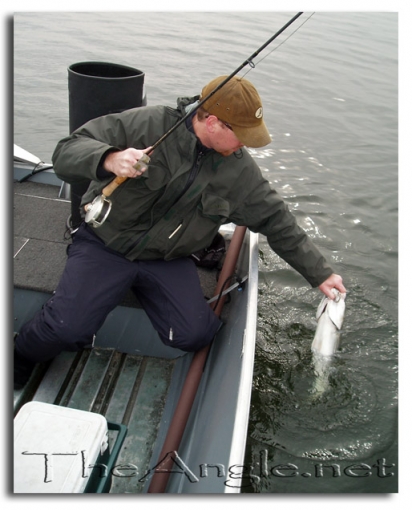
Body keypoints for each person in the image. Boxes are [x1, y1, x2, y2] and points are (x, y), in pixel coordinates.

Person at [14, 75, 346, 389]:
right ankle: (19, 356)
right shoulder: (149, 124)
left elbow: (277, 220)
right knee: (66, 329)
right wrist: (110, 158)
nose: (247, 145)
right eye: (242, 135)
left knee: (194, 334)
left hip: (167, 258)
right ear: (214, 122)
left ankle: (139, 291)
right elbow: (66, 152)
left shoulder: (240, 170)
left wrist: (320, 273)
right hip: (106, 244)